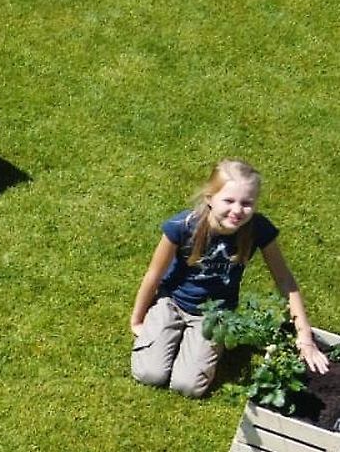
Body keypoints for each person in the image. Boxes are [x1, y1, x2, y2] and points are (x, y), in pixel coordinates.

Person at [130, 159, 330, 398]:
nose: (237, 210)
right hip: (172, 302)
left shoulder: (258, 229)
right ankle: (167, 329)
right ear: (209, 199)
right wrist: (137, 320)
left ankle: (204, 343)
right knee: (150, 374)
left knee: (188, 386)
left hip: (215, 314)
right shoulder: (182, 226)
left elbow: (285, 280)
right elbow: (154, 275)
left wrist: (304, 336)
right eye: (229, 200)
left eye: (247, 203)